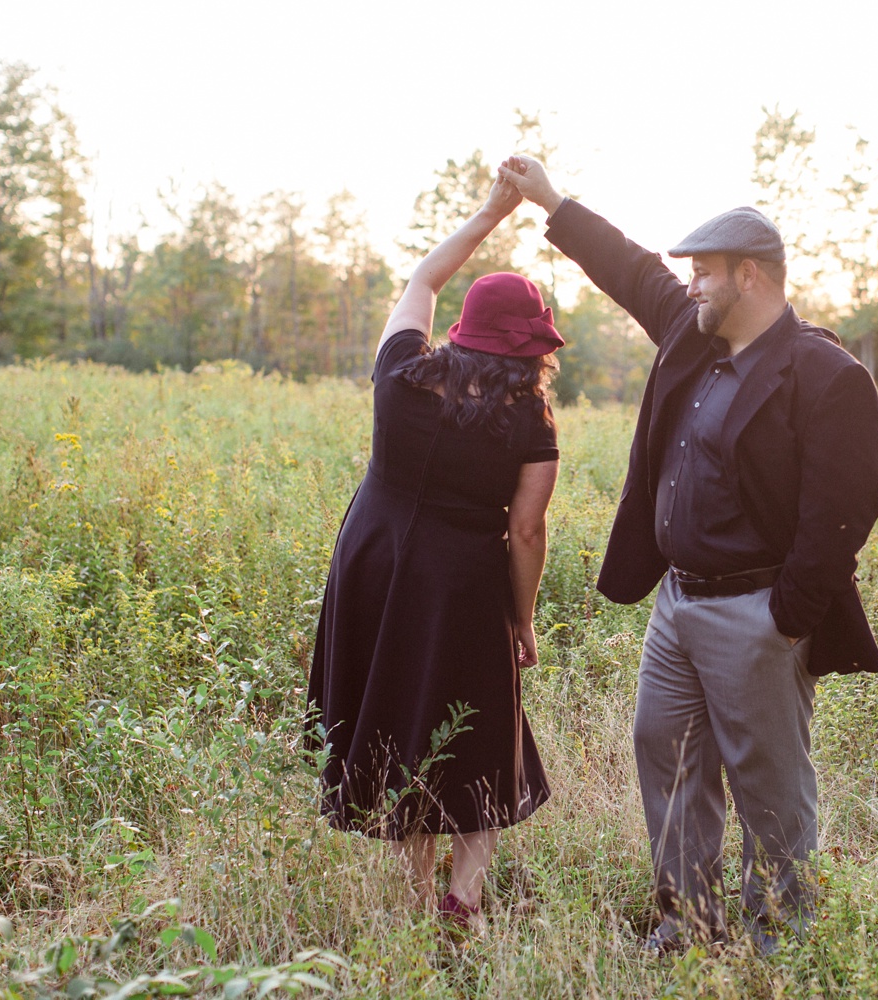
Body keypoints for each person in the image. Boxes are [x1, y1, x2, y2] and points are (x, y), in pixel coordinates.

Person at [499, 155, 878, 953]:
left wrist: (786, 619)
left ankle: (778, 930)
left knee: (769, 781)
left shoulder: (824, 374)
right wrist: (553, 201)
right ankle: (690, 919)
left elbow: (843, 511)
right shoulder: (690, 333)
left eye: (704, 274)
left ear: (751, 276)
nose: (691, 287)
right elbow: (629, 268)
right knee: (664, 752)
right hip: (677, 604)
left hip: (757, 610)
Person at [305, 171, 562, 932]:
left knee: (397, 718)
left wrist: (490, 211)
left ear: (463, 327)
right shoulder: (532, 419)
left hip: (374, 566)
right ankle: (464, 900)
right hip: (462, 583)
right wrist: (523, 621)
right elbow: (525, 531)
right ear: (533, 345)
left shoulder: (402, 372)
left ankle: (419, 896)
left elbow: (422, 275)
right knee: (479, 729)